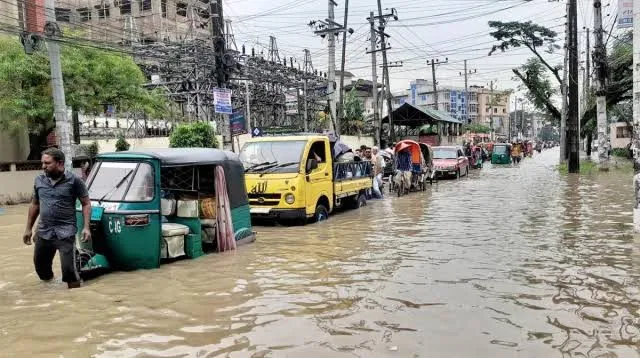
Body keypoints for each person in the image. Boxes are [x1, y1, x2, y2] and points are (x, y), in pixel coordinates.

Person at [23, 148, 92, 289]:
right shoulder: (39, 181)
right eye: (42, 163)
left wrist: (86, 227)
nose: (43, 166)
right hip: (44, 232)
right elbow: (35, 204)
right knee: (41, 270)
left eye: (47, 163)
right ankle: (50, 295)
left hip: (65, 233)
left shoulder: (75, 181)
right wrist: (28, 228)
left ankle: (75, 300)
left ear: (60, 163)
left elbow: (86, 203)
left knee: (69, 272)